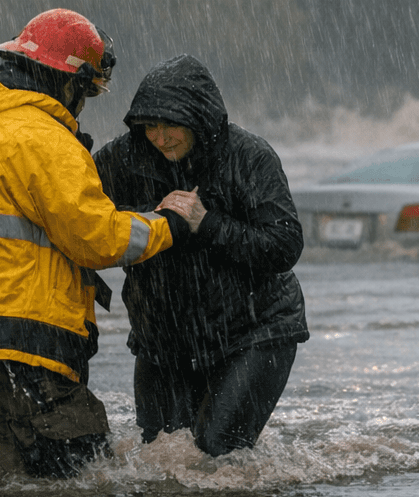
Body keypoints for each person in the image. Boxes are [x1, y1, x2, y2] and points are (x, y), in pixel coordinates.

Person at [0, 9, 205, 477]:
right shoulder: (43, 137)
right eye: (86, 92)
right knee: (69, 480)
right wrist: (166, 224)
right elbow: (96, 239)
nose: (82, 105)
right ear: (70, 82)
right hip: (11, 342)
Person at [94, 54, 307, 457]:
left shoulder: (250, 157)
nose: (160, 137)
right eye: (150, 126)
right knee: (162, 457)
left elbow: (284, 246)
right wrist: (146, 218)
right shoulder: (120, 160)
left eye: (171, 124)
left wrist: (207, 223)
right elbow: (79, 219)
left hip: (255, 332)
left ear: (200, 119)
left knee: (215, 452)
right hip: (163, 339)